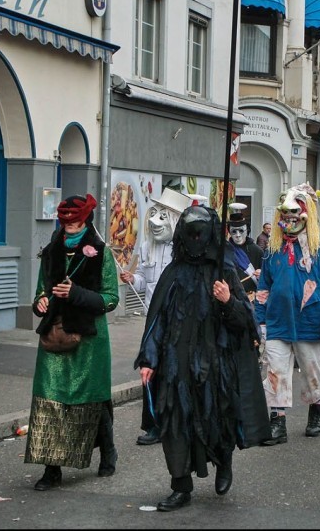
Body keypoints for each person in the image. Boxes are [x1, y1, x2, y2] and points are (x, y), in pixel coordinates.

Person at [134, 204, 269, 512]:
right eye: (190, 233)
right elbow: (158, 322)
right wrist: (148, 359)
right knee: (175, 421)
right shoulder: (173, 273)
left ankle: (224, 461)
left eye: (200, 233)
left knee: (218, 417)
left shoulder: (224, 271)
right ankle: (180, 485)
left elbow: (245, 321)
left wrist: (227, 301)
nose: (195, 239)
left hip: (216, 362)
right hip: (176, 362)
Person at [26, 194, 120, 490]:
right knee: (49, 398)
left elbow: (111, 298)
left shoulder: (102, 253)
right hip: (54, 334)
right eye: (65, 223)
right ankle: (51, 469)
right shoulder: (51, 250)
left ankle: (107, 451)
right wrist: (40, 301)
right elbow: (42, 289)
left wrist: (76, 294)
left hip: (90, 338)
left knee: (91, 398)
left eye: (75, 222)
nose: (68, 228)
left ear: (86, 220)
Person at [255, 183, 320, 445]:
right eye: (285, 216)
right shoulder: (272, 247)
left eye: (294, 215)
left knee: (312, 371)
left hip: (310, 323)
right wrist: (259, 318)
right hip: (277, 320)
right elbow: (264, 284)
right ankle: (277, 422)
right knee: (275, 371)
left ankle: (316, 408)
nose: (289, 220)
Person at [120, 187, 193, 447]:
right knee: (149, 370)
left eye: (164, 214)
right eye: (155, 213)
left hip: (179, 321)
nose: (155, 220)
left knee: (177, 371)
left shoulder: (186, 251)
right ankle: (153, 424)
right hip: (152, 320)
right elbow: (143, 281)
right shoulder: (148, 247)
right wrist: (132, 279)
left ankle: (178, 420)